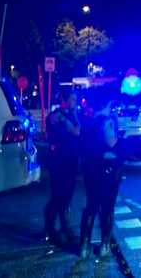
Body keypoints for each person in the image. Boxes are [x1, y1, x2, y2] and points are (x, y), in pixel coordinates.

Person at [79, 88, 124, 259]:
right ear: (107, 104)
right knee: (107, 207)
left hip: (90, 169)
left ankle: (84, 246)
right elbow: (112, 143)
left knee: (91, 206)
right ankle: (105, 244)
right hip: (108, 171)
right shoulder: (107, 121)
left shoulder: (86, 121)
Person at [43, 89, 81, 245]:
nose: (75, 103)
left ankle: (64, 228)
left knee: (66, 196)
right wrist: (73, 116)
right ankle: (51, 228)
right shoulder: (57, 116)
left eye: (75, 99)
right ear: (64, 100)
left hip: (70, 160)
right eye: (72, 99)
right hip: (59, 161)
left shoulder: (68, 115)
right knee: (59, 195)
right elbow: (76, 131)